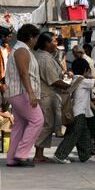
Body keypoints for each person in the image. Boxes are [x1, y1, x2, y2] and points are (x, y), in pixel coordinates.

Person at [54, 58, 95, 163]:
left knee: (84, 133)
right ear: (86, 70)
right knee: (74, 134)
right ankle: (60, 155)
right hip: (79, 112)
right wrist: (90, 75)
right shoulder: (83, 80)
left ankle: (85, 155)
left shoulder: (75, 79)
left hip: (78, 112)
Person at [33, 32, 75, 163]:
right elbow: (53, 80)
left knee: (48, 124)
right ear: (47, 43)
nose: (56, 44)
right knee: (48, 124)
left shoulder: (44, 56)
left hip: (47, 94)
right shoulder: (44, 58)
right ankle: (37, 152)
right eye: (55, 41)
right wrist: (69, 87)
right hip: (45, 95)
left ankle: (39, 153)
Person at [5, 24, 43, 167]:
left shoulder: (21, 49)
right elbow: (23, 73)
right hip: (21, 92)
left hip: (17, 92)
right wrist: (31, 93)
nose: (36, 41)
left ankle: (11, 158)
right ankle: (21, 154)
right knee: (38, 120)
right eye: (35, 38)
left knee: (19, 125)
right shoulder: (21, 50)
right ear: (31, 37)